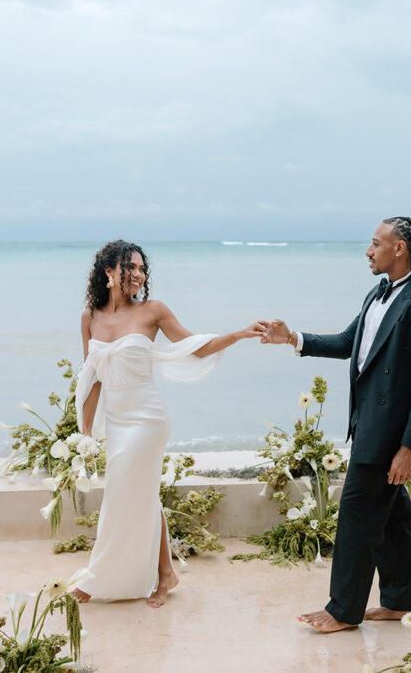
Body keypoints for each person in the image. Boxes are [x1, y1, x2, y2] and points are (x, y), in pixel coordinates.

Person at [261, 217, 411, 632]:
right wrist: (292, 337)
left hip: (391, 434)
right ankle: (401, 601)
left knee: (356, 517)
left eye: (375, 243)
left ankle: (343, 610)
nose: (368, 251)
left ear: (398, 249)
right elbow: (349, 343)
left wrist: (408, 448)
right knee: (392, 517)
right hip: (370, 424)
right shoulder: (377, 294)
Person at [71, 240, 264, 608]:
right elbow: (91, 377)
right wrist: (85, 434)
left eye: (143, 269)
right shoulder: (89, 317)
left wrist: (238, 334)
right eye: (132, 267)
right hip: (116, 419)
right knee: (139, 493)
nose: (140, 275)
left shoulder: (152, 311)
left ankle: (98, 576)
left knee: (122, 493)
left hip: (147, 418)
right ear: (109, 272)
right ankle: (166, 573)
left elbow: (195, 346)